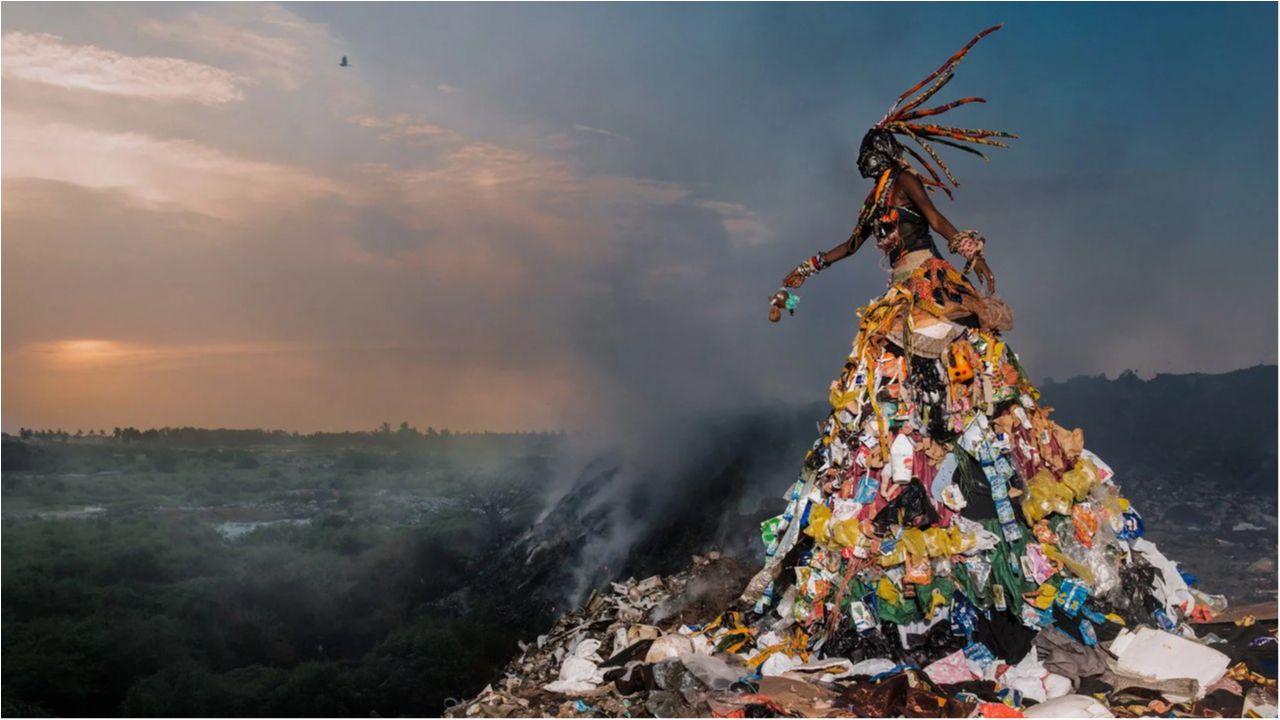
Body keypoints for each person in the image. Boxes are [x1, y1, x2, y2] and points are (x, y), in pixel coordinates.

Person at [741, 26, 1195, 669]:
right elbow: (846, 247)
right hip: (901, 296)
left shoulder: (901, 181)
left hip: (930, 286)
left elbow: (939, 217)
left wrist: (964, 245)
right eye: (866, 158)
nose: (865, 164)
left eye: (870, 153)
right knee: (888, 399)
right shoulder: (875, 199)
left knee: (961, 388)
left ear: (885, 150)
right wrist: (800, 275)